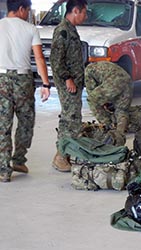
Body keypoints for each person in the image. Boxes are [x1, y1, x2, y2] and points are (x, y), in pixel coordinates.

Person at [0, 0, 51, 182]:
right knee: (26, 121)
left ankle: (3, 170)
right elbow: (39, 58)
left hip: (1, 80)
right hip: (23, 80)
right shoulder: (31, 29)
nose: (28, 13)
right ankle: (19, 160)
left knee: (2, 126)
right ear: (21, 9)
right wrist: (45, 84)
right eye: (28, 10)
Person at [50, 0, 87, 172]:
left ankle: (63, 153)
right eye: (84, 13)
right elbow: (56, 61)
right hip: (68, 83)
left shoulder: (71, 30)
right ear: (75, 11)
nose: (85, 17)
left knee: (70, 118)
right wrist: (68, 79)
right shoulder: (62, 31)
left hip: (75, 81)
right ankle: (60, 156)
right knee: (71, 119)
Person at [84, 61, 133, 146]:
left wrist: (102, 105)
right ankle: (119, 135)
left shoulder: (88, 71)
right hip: (127, 79)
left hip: (113, 81)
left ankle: (107, 127)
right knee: (122, 110)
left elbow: (92, 91)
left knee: (92, 100)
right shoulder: (100, 64)